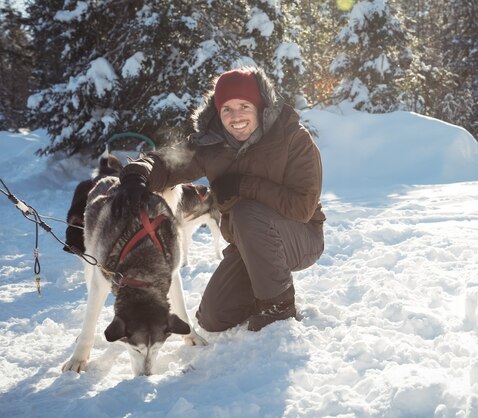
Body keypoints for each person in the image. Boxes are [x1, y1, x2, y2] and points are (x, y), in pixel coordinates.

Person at [112, 66, 326, 332]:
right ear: (218, 112)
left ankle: (278, 305)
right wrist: (137, 174)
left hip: (301, 237)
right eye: (227, 109)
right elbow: (169, 163)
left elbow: (302, 207)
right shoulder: (212, 144)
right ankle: (263, 288)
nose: (236, 117)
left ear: (260, 106)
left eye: (244, 106)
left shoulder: (293, 138)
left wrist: (244, 185)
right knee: (213, 318)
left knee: (246, 211)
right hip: (249, 242)